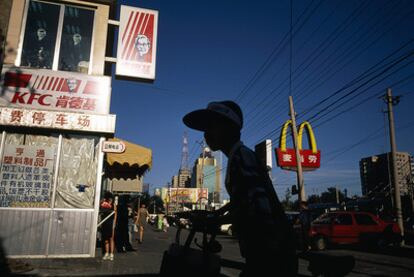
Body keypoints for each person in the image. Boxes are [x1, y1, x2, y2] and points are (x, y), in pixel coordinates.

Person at [183, 100, 298, 276]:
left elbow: (255, 207)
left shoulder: (242, 158)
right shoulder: (238, 157)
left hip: (271, 254)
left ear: (230, 128)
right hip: (263, 251)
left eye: (212, 126)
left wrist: (214, 221)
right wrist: (216, 213)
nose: (206, 134)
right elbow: (241, 200)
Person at [100, 191, 116, 261]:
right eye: (108, 198)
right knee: (105, 239)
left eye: (110, 198)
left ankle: (111, 253)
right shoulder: (103, 203)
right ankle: (106, 253)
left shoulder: (113, 204)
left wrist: (114, 224)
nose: (110, 199)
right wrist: (101, 201)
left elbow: (115, 214)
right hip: (104, 222)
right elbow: (99, 208)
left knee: (111, 238)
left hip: (111, 222)